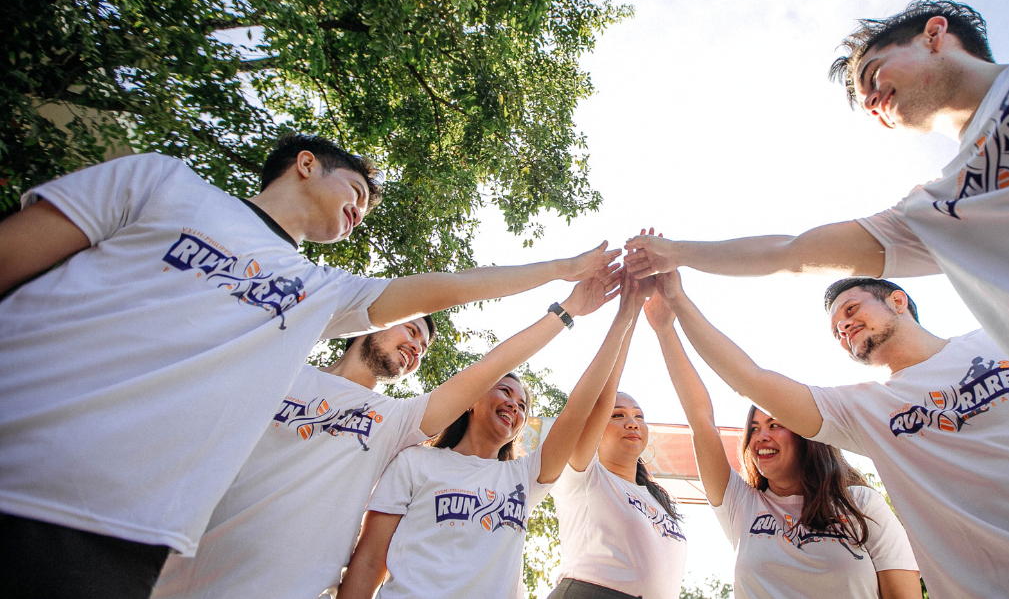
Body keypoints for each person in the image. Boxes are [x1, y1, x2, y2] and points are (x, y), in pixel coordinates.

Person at [624, 0, 1009, 588]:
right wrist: (676, 257)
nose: (872, 100)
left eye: (872, 76)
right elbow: (790, 253)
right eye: (865, 101)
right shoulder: (934, 214)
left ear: (934, 34)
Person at [0, 135, 621, 599]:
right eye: (355, 193)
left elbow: (459, 311)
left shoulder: (321, 304)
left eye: (423, 346)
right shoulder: (166, 186)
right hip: (63, 492)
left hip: (119, 539)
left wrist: (563, 291)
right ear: (305, 164)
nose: (359, 212)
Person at [654, 271, 1009, 598]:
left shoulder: (1002, 337)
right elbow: (752, 379)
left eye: (851, 310)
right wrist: (677, 304)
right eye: (837, 327)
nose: (844, 326)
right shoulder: (864, 409)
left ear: (898, 300)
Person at [153, 258, 620, 599]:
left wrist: (567, 311)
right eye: (411, 330)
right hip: (176, 565)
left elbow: (493, 366)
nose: (417, 346)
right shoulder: (280, 370)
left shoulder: (395, 423)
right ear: (369, 322)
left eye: (423, 346)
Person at [336, 268, 644, 599]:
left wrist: (626, 315)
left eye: (523, 405)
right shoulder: (415, 462)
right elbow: (369, 562)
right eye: (505, 392)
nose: (515, 406)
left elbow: (580, 410)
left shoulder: (525, 477)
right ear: (471, 400)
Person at [644, 282, 919, 599]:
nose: (761, 436)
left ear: (806, 434)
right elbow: (701, 419)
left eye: (775, 424)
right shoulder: (741, 504)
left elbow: (903, 594)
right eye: (755, 427)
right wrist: (665, 331)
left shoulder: (860, 503)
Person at [550, 273, 686, 599]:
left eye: (639, 416)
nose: (632, 423)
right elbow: (600, 398)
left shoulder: (657, 498)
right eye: (618, 415)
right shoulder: (581, 477)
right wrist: (631, 309)